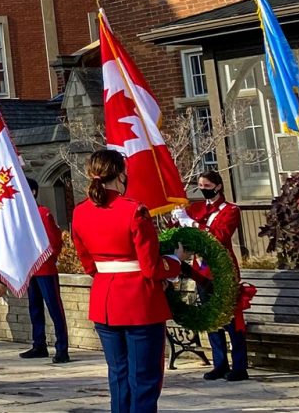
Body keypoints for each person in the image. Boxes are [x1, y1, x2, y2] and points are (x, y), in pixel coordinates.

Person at [71, 149, 182, 413]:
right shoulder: (134, 210)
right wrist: (176, 260)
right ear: (121, 174)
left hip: (105, 301)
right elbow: (151, 267)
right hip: (138, 304)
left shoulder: (80, 212)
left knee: (119, 378)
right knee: (144, 380)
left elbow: (88, 264)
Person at [172, 169, 246, 381]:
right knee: (212, 320)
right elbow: (184, 234)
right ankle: (219, 363)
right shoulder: (196, 209)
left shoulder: (230, 210)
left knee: (232, 320)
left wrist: (192, 223)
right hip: (201, 271)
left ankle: (240, 366)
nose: (203, 190)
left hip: (222, 271)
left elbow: (220, 236)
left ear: (218, 186)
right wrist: (176, 219)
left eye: (207, 186)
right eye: (200, 187)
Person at [22, 178, 71, 364]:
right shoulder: (21, 215)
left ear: (33, 192)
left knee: (54, 308)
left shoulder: (43, 213)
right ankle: (39, 344)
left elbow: (54, 240)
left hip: (45, 267)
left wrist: (51, 259)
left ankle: (62, 348)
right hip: (30, 268)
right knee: (34, 308)